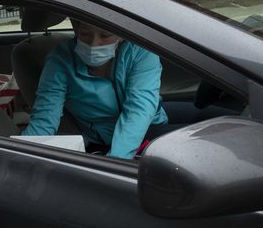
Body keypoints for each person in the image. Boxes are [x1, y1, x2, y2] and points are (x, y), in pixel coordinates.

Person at [22, 18, 167, 159]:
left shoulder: (140, 53)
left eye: (105, 35)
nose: (94, 44)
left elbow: (139, 110)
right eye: (85, 33)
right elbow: (44, 119)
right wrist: (17, 152)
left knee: (190, 117)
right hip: (104, 140)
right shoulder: (60, 60)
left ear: (122, 35)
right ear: (77, 30)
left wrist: (116, 159)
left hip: (146, 124)